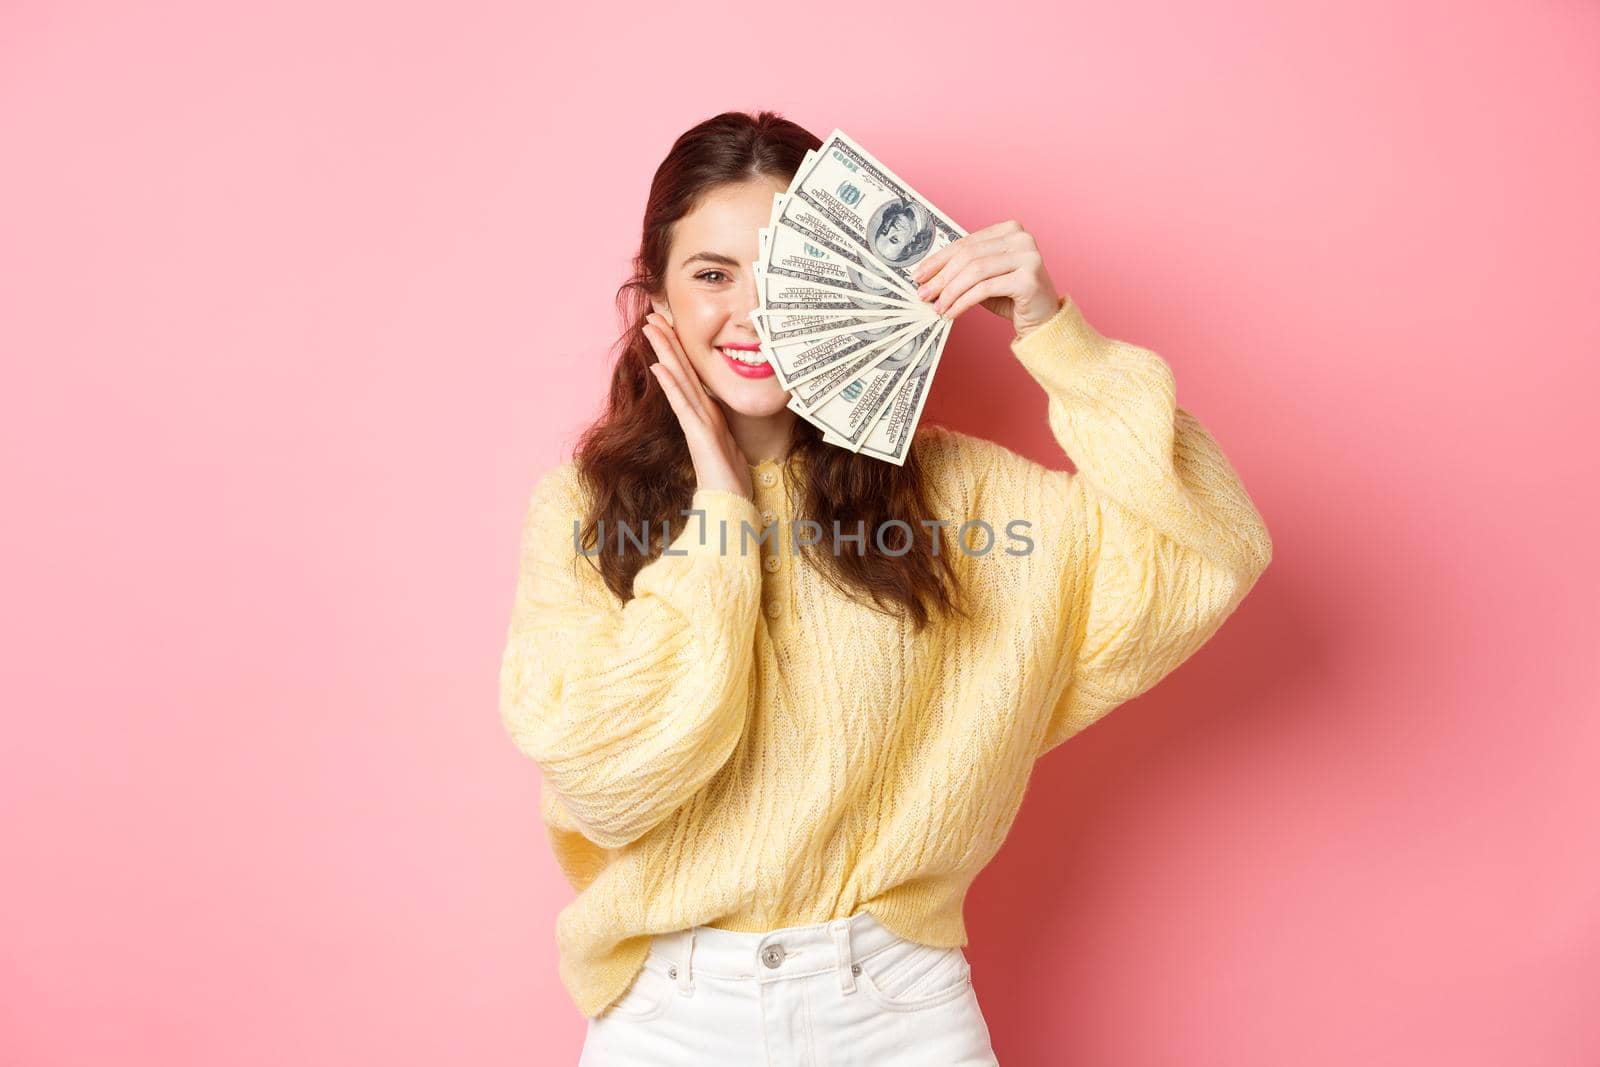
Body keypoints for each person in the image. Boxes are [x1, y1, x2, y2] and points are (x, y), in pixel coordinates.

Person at [498, 110, 1274, 1066]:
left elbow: (1208, 550)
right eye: (713, 273)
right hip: (672, 1015)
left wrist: (1056, 337)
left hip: (897, 1012)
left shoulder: (964, 497)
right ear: (654, 291)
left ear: (847, 274)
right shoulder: (582, 509)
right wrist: (723, 509)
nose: (753, 312)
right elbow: (613, 778)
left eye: (787, 267)